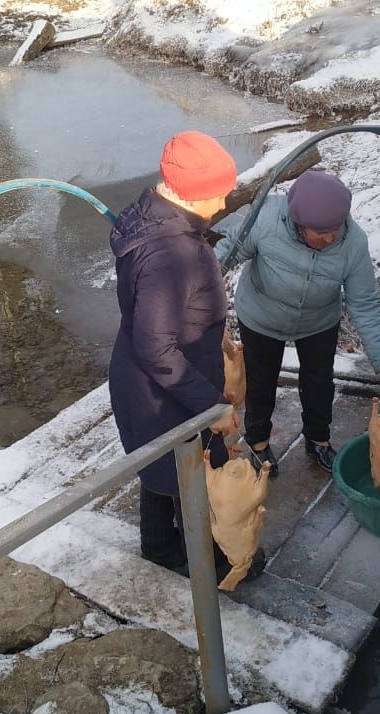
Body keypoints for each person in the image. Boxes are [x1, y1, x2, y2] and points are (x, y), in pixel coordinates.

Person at [108, 130, 251, 576]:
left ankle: (157, 547)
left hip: (145, 377)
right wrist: (211, 405)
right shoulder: (172, 253)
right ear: (194, 192)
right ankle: (204, 560)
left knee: (158, 463)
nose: (226, 200)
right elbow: (156, 345)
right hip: (163, 389)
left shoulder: (153, 219)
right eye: (220, 191)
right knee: (187, 472)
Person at [214, 170, 380, 475]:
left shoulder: (353, 243)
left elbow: (365, 303)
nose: (330, 237)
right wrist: (200, 277)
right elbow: (227, 252)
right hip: (262, 315)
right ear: (298, 222)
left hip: (318, 320)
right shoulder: (265, 219)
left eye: (335, 229)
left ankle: (318, 439)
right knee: (260, 382)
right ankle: (258, 442)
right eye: (321, 232)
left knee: (319, 383)